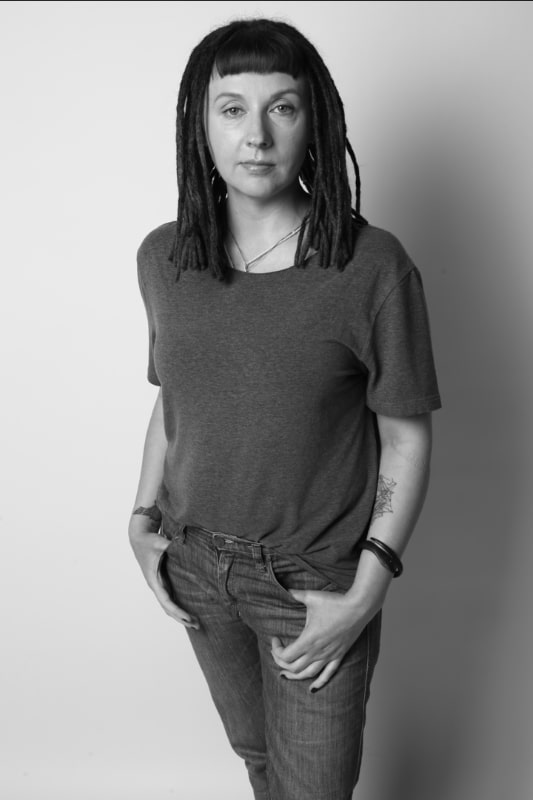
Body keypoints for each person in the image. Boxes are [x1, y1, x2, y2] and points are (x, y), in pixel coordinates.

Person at [129, 17, 442, 800]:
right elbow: (174, 400)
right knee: (259, 761)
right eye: (232, 108)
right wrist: (139, 520)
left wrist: (367, 590)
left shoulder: (370, 266)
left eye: (282, 107)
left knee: (312, 789)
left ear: (315, 123)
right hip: (195, 567)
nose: (257, 136)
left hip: (311, 583)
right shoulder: (165, 257)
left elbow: (404, 437)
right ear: (200, 126)